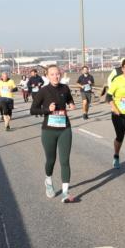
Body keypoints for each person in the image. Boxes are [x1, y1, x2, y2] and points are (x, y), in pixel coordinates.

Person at [30, 65, 76, 203]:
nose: (56, 76)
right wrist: (47, 109)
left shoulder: (65, 88)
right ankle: (48, 181)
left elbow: (69, 99)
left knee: (65, 160)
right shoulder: (43, 91)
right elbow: (33, 110)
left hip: (64, 129)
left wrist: (72, 104)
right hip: (49, 131)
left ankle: (65, 193)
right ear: (47, 76)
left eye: (57, 74)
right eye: (52, 74)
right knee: (51, 160)